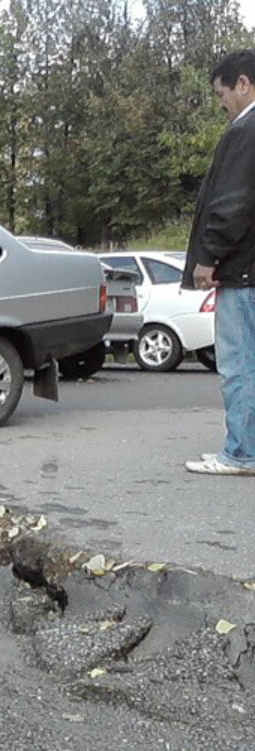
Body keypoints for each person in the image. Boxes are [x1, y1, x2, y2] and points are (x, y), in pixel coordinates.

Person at [183, 49, 255, 476]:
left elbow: (233, 202)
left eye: (221, 93)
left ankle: (241, 452)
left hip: (242, 271)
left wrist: (208, 256)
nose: (220, 103)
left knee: (239, 364)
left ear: (242, 83)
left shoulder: (244, 131)